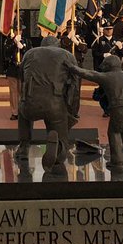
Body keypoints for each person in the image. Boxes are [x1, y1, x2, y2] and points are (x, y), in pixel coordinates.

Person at [17, 35, 81, 174]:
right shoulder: (67, 55)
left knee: (23, 112)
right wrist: (73, 111)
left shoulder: (30, 53)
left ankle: (24, 146)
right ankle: (59, 148)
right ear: (58, 45)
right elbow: (75, 87)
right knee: (59, 126)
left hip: (31, 101)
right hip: (56, 103)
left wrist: (24, 98)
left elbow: (22, 76)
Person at [70, 55, 123, 175]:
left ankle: (117, 161)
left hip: (119, 108)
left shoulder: (108, 76)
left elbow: (89, 74)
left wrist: (72, 67)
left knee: (114, 132)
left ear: (109, 66)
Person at [1, 26, 26, 120]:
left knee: (22, 91)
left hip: (22, 68)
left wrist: (22, 46)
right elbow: (6, 52)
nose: (20, 32)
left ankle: (22, 111)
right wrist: (14, 43)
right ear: (14, 31)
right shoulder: (9, 41)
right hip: (12, 68)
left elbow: (28, 52)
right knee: (13, 92)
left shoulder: (25, 41)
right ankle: (14, 112)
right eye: (18, 30)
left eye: (21, 30)